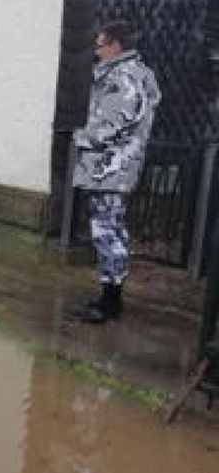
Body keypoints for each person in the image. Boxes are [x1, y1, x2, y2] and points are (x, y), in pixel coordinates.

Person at [72, 21, 161, 325]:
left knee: (107, 232)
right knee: (110, 231)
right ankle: (109, 296)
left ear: (115, 46)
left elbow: (110, 126)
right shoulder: (134, 74)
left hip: (111, 168)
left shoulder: (124, 77)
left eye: (99, 46)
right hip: (112, 168)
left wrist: (78, 135)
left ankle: (110, 303)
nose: (96, 52)